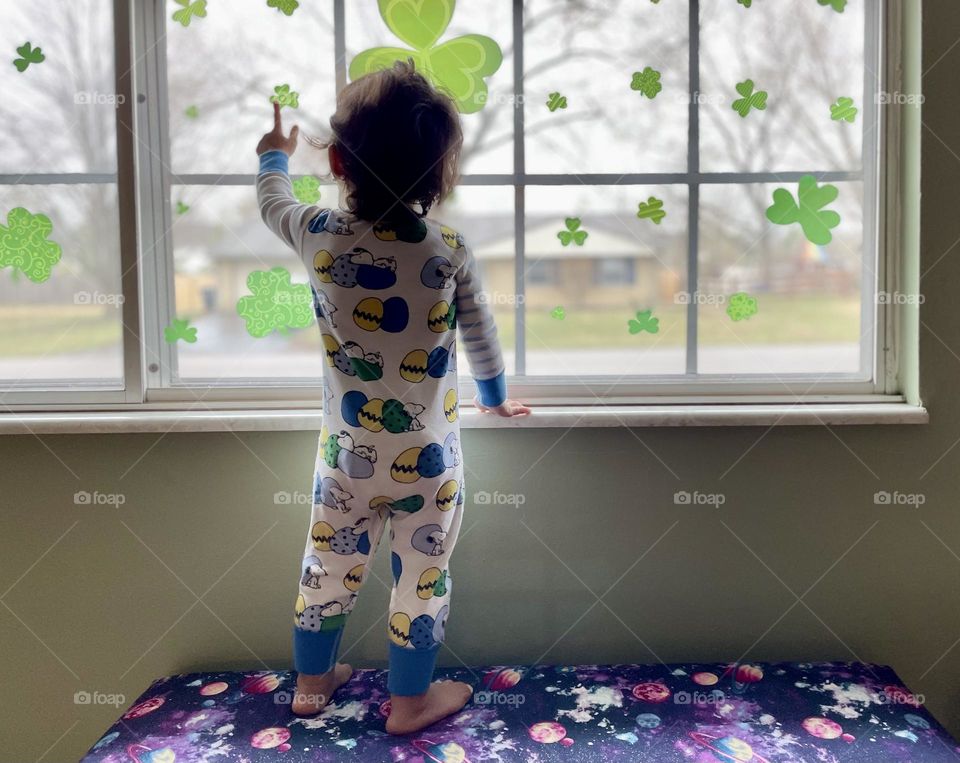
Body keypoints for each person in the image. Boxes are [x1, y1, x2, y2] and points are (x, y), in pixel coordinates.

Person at [255, 60, 531, 734]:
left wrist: (273, 154)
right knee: (423, 577)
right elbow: (481, 335)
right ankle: (410, 702)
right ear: (438, 176)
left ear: (338, 162)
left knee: (327, 565)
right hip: (429, 463)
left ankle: (311, 687)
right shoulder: (447, 248)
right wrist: (495, 397)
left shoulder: (317, 233)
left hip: (344, 461)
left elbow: (271, 203)